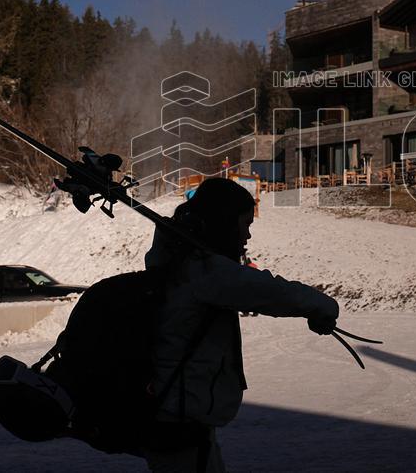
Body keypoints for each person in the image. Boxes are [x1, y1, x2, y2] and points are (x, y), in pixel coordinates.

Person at [143, 177, 339, 472]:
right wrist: (320, 306)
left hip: (179, 415)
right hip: (181, 418)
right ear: (224, 221)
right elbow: (265, 291)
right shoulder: (202, 270)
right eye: (244, 224)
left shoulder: (179, 260)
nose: (247, 235)